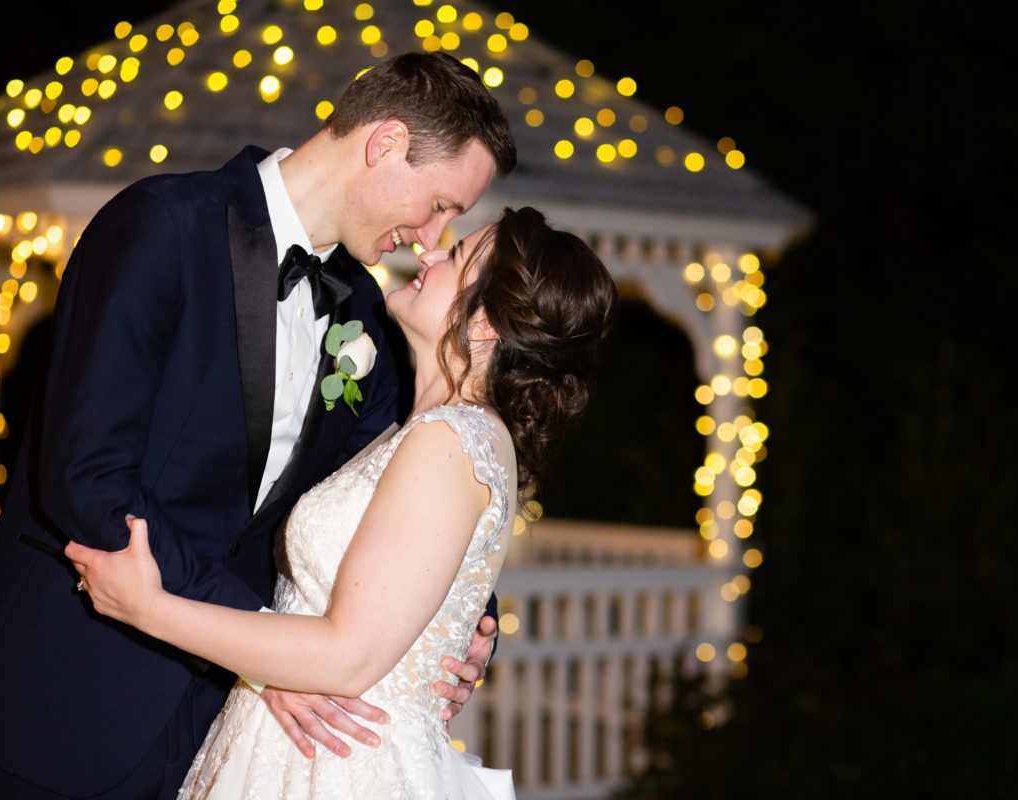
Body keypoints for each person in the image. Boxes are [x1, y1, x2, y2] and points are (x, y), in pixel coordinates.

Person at [0, 52, 517, 799]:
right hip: (76, 690)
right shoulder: (161, 226)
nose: (433, 238)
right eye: (439, 203)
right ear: (386, 143)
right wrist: (269, 648)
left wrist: (462, 623)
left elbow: (395, 486)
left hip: (236, 734)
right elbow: (87, 481)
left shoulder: (367, 312)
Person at [67, 206, 618, 798]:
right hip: (301, 738)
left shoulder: (451, 440)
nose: (429, 253)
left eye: (456, 256)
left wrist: (147, 607)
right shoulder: (430, 429)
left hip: (336, 761)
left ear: (484, 324)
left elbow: (347, 658)